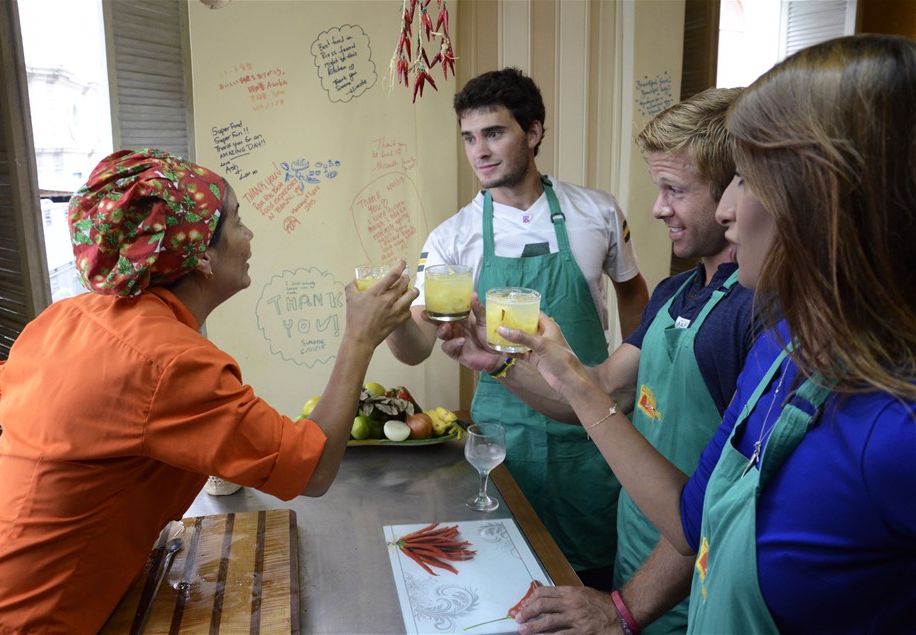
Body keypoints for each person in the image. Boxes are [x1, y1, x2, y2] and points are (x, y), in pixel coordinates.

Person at [506, 35, 916, 634]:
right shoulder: (781, 352)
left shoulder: (896, 429)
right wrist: (546, 369)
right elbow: (693, 522)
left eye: (747, 179)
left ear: (822, 198)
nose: (726, 209)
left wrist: (624, 611)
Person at [0, 148, 416, 634]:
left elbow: (0, 399)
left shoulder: (69, 316)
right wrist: (360, 337)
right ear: (201, 256)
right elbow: (316, 470)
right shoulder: (170, 361)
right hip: (15, 618)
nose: (250, 235)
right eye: (238, 222)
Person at [440, 87, 760, 634]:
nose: (658, 207)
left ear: (737, 192)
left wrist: (622, 610)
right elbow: (604, 391)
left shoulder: (754, 311)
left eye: (674, 190)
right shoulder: (674, 292)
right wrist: (496, 364)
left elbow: (717, 508)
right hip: (638, 561)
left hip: (695, 593)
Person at [387, 67, 649, 588]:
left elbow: (634, 294)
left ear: (533, 132)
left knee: (597, 582)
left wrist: (637, 382)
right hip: (503, 440)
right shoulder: (452, 238)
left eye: (494, 133)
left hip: (592, 424)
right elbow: (415, 347)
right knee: (510, 582)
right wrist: (391, 318)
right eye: (468, 137)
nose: (479, 151)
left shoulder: (596, 211)